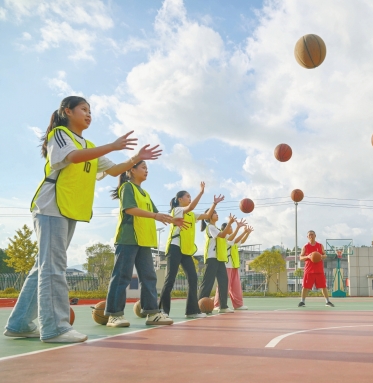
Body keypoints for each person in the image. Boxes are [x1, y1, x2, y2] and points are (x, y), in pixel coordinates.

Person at [4, 96, 161, 343]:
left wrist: (133, 159)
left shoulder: (88, 144)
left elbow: (113, 170)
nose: (89, 114)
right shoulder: (60, 134)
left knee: (43, 267)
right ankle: (55, 328)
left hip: (69, 209)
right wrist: (112, 145)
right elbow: (74, 157)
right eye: (84, 109)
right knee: (53, 267)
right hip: (51, 206)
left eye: (91, 111)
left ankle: (19, 323)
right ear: (67, 111)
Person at [105, 161, 183, 327]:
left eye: (147, 168)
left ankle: (152, 313)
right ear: (132, 170)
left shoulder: (145, 194)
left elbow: (156, 213)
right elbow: (129, 209)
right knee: (122, 276)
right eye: (143, 167)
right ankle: (114, 314)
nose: (147, 171)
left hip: (144, 240)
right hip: (128, 237)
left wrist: (172, 220)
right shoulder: (127, 188)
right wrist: (155, 217)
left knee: (149, 277)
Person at [158, 184, 224, 318]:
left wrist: (214, 204)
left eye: (190, 196)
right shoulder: (177, 210)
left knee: (193, 278)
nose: (189, 198)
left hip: (186, 251)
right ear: (180, 199)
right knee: (170, 278)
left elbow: (207, 215)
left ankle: (192, 311)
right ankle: (163, 311)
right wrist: (201, 193)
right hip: (175, 247)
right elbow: (191, 207)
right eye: (187, 196)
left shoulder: (192, 215)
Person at [199, 211, 236, 313]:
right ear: (209, 216)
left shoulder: (217, 228)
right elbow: (223, 235)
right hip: (212, 258)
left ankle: (223, 306)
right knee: (208, 282)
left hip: (219, 259)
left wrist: (235, 227)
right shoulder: (210, 227)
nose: (217, 214)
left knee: (224, 282)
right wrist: (229, 223)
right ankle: (200, 305)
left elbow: (229, 238)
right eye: (214, 213)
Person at [214, 224, 253, 310]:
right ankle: (217, 304)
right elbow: (236, 240)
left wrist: (247, 233)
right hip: (226, 265)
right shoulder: (225, 238)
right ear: (225, 229)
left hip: (234, 265)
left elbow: (241, 241)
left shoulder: (233, 238)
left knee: (236, 287)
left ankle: (238, 304)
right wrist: (244, 232)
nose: (231, 228)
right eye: (230, 227)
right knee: (224, 286)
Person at [298, 230, 334, 307]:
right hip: (309, 270)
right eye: (309, 235)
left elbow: (325, 255)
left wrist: (321, 256)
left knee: (323, 286)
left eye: (312, 234)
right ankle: (302, 301)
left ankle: (327, 301)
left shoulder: (320, 246)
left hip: (319, 269)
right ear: (307, 237)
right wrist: (308, 256)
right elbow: (301, 257)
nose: (311, 236)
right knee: (305, 286)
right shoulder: (305, 247)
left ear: (315, 236)